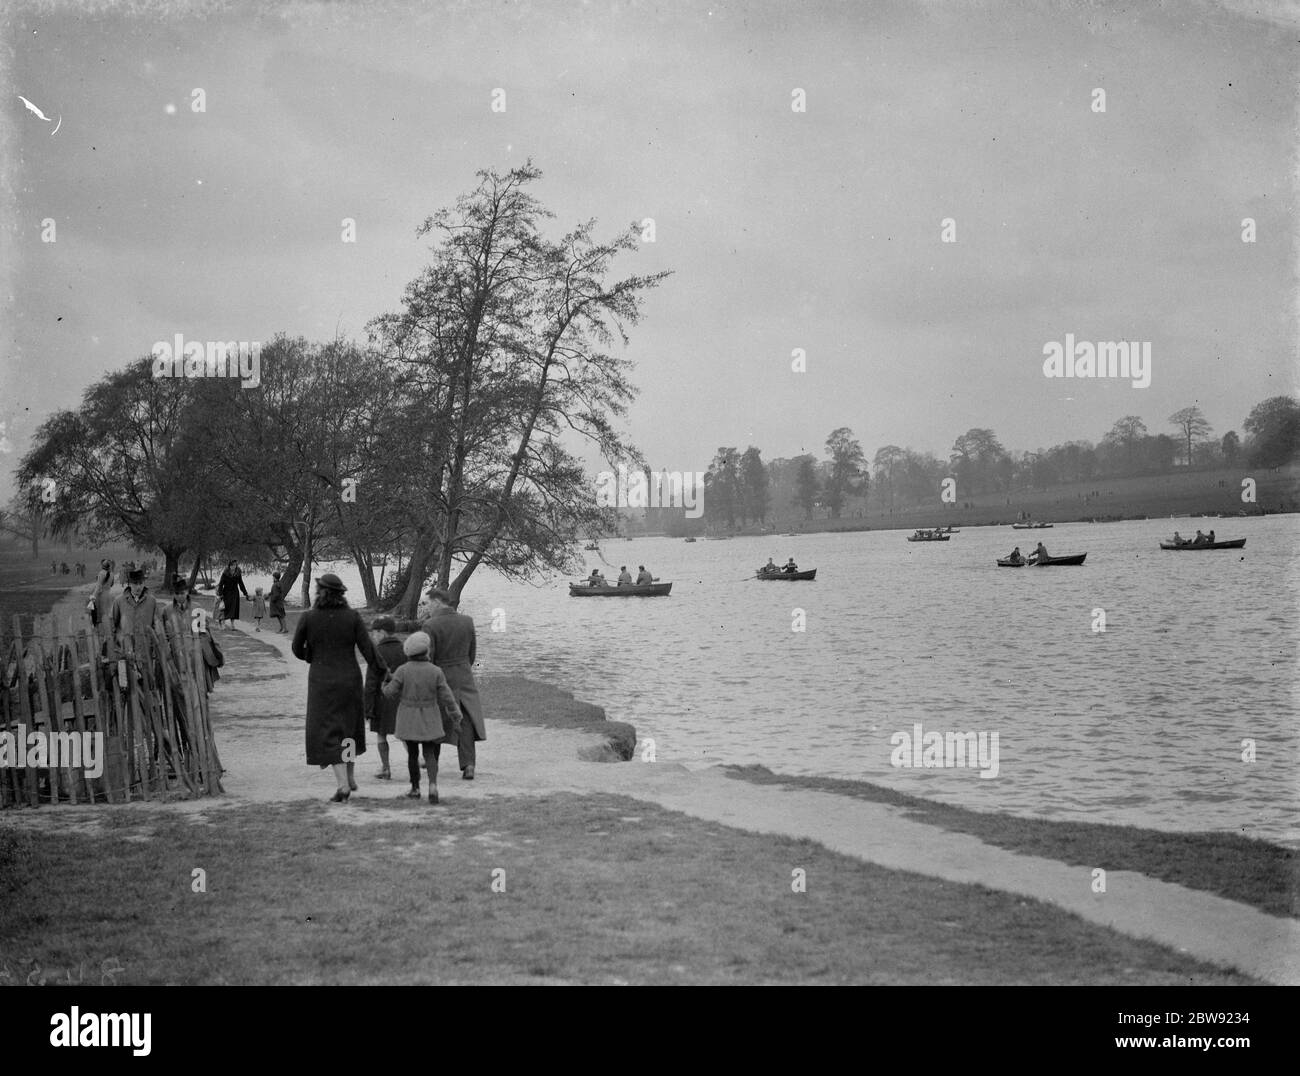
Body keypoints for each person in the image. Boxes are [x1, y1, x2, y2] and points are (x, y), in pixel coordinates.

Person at [291, 573, 382, 803]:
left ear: (320, 592)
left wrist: (310, 655)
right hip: (350, 679)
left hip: (322, 682)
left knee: (328, 732)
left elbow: (296, 648)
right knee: (348, 729)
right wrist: (385, 674)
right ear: (340, 594)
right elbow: (368, 650)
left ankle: (343, 785)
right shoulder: (352, 617)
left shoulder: (309, 618)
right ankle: (350, 777)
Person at [382, 630, 464, 804]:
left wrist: (385, 681)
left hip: (408, 718)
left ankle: (415, 788)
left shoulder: (402, 671)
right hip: (430, 716)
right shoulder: (436, 671)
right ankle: (433, 786)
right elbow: (447, 697)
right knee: (430, 754)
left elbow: (389, 693)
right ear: (427, 650)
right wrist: (456, 716)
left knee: (412, 754)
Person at [421, 588, 486, 781]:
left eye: (427, 603)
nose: (426, 608)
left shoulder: (430, 625)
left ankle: (433, 762)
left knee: (437, 720)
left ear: (437, 602)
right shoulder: (467, 621)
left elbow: (428, 657)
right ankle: (469, 765)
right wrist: (463, 667)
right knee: (465, 722)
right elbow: (472, 653)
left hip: (440, 676)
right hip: (464, 675)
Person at [365, 616, 405, 780]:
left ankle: (386, 768)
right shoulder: (404, 648)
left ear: (381, 632)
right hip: (402, 699)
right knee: (404, 734)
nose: (373, 636)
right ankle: (415, 761)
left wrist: (367, 706)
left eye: (374, 633)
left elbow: (371, 682)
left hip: (381, 699)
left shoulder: (377, 653)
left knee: (381, 734)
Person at [110, 565, 163, 663]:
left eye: (140, 583)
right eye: (135, 583)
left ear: (144, 583)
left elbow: (157, 626)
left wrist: (157, 644)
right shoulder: (119, 601)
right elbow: (112, 625)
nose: (138, 587)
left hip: (145, 650)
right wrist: (116, 645)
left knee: (147, 676)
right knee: (126, 676)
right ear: (129, 584)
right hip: (125, 651)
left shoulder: (152, 601)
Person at [216, 560, 250, 629]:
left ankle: (232, 624)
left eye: (235, 565)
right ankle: (222, 622)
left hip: (235, 592)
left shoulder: (238, 573)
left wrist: (245, 593)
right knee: (225, 608)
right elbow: (221, 584)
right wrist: (220, 594)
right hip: (226, 592)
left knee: (234, 609)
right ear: (229, 566)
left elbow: (241, 583)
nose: (233, 567)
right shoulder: (225, 573)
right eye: (232, 565)